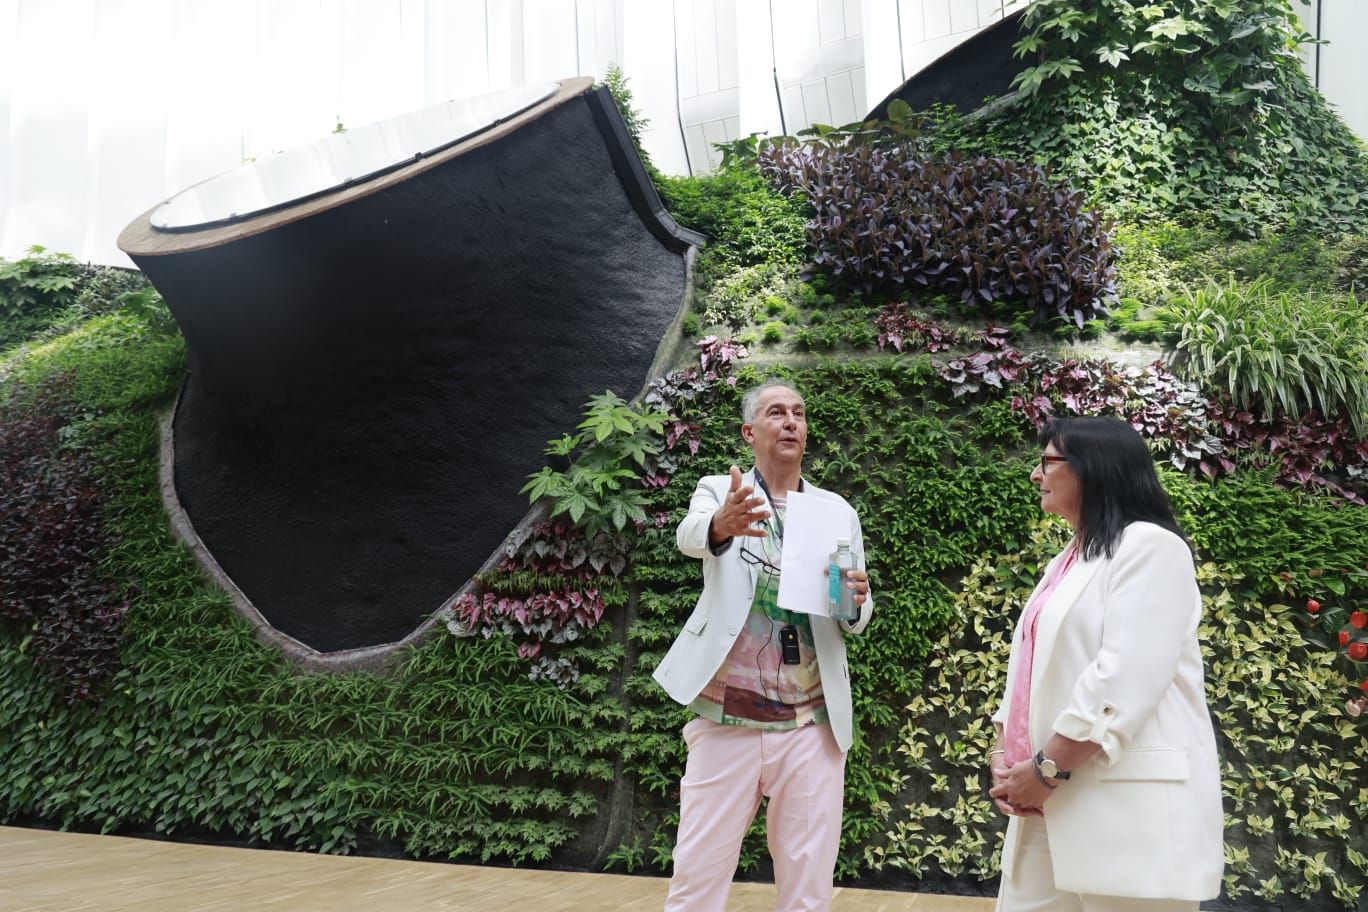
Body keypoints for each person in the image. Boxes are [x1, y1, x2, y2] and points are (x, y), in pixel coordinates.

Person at [652, 378, 873, 912]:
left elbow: (854, 614)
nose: (792, 421)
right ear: (751, 431)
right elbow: (690, 534)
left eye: (798, 413)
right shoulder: (720, 490)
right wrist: (721, 525)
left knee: (808, 885)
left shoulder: (835, 511)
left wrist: (855, 601)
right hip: (727, 714)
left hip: (812, 723)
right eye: (777, 413)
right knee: (698, 874)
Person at [987, 416, 1224, 911]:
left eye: (1048, 461)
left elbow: (1121, 679)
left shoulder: (1151, 548)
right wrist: (1004, 756)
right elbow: (1030, 669)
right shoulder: (1071, 557)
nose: (1036, 475)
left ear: (1092, 469)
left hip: (1122, 814)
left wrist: (1046, 768)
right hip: (1043, 800)